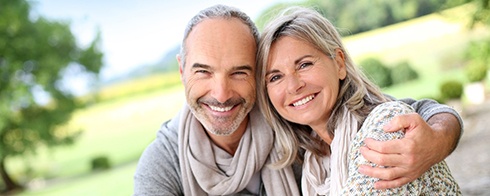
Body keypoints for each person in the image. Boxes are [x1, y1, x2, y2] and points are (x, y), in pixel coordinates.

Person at [134, 4, 462, 195]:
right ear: (181, 69)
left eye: (239, 72)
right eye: (203, 71)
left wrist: (437, 137)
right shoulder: (165, 162)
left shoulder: (297, 127)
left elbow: (412, 111)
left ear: (339, 62)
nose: (221, 94)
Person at [255, 6, 462, 195]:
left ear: (339, 64)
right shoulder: (308, 158)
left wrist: (440, 135)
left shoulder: (383, 130)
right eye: (275, 77)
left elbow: (419, 110)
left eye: (304, 65)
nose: (293, 86)